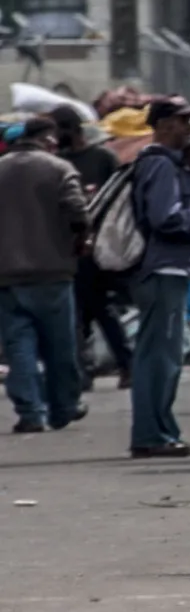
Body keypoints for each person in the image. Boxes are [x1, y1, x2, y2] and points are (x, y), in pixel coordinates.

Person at [127, 97, 190, 458]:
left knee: (161, 353)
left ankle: (161, 430)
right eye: (181, 120)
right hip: (162, 268)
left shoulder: (168, 164)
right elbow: (166, 217)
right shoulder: (160, 165)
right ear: (162, 125)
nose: (189, 126)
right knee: (160, 356)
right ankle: (152, 434)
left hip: (163, 269)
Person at [0, 116, 90, 434]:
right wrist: (80, 241)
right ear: (48, 139)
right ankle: (63, 408)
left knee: (18, 346)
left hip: (7, 276)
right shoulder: (59, 168)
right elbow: (78, 211)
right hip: (53, 271)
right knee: (59, 346)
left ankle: (30, 412)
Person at [47, 105, 132, 391]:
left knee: (97, 307)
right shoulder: (57, 162)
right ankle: (90, 369)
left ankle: (121, 365)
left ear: (73, 129)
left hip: (98, 247)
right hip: (68, 247)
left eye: (59, 131)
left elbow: (119, 200)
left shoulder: (101, 158)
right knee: (82, 311)